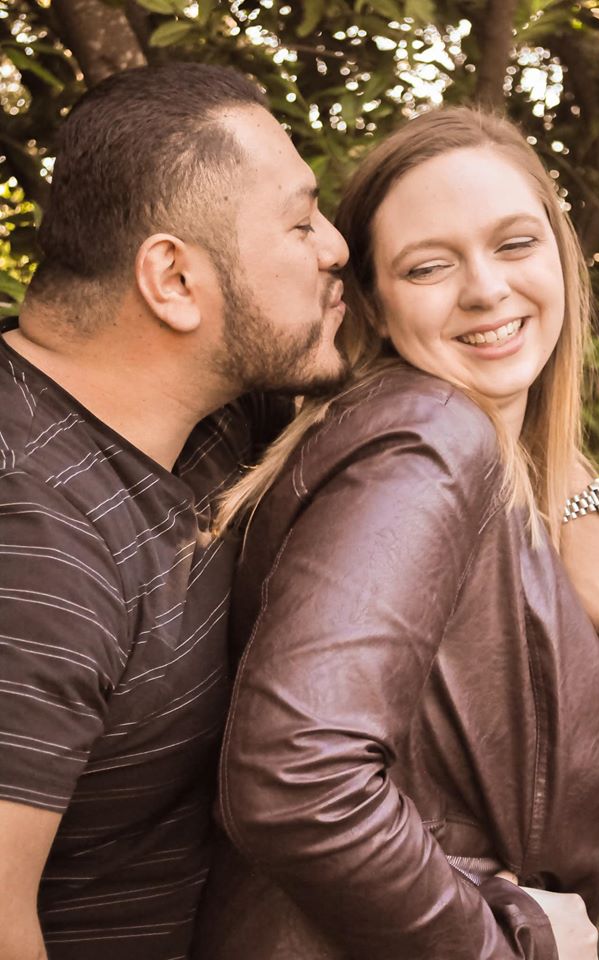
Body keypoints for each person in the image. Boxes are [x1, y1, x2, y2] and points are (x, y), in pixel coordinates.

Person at [195, 107, 599, 960]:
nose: (485, 289)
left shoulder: (469, 443)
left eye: (515, 243)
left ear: (559, 251)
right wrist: (505, 944)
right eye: (428, 266)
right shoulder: (426, 440)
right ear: (371, 302)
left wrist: (593, 510)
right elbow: (297, 780)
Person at [0, 61, 349, 960]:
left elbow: (451, 362)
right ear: (174, 281)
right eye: (301, 222)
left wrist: (588, 512)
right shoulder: (38, 559)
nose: (335, 246)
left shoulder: (206, 404)